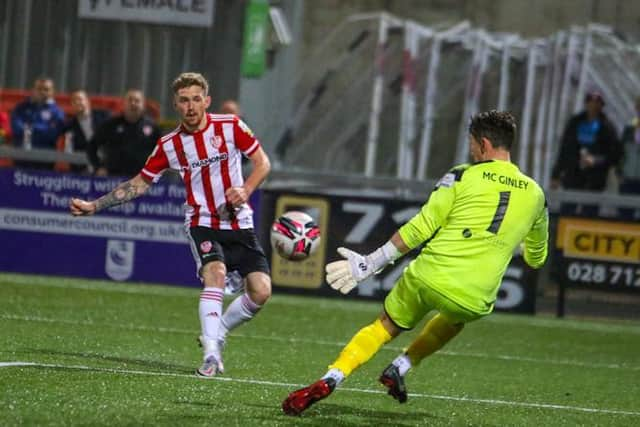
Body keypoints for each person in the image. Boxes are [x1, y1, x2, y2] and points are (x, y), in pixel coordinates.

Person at [281, 110, 549, 416]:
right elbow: (536, 258)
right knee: (455, 318)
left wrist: (371, 263)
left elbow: (421, 227)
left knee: (385, 326)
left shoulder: (462, 175)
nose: (471, 150)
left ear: (484, 144)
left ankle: (332, 377)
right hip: (475, 295)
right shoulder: (537, 195)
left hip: (428, 276)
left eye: (472, 144)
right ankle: (402, 365)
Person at [70, 72, 272, 378]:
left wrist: (245, 190)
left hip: (239, 222)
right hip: (201, 221)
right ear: (175, 105)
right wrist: (95, 205)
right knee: (214, 273)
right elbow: (138, 184)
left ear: (207, 101)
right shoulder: (169, 145)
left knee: (261, 291)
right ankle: (211, 355)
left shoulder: (230, 126)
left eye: (195, 99)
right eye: (183, 100)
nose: (190, 106)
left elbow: (262, 163)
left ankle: (217, 330)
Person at [550, 90, 621, 216]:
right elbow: (565, 149)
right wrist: (556, 174)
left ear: (601, 105)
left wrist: (595, 160)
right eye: (590, 101)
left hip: (594, 179)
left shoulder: (607, 127)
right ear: (586, 103)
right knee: (567, 210)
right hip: (573, 175)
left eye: (597, 102)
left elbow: (614, 155)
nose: (593, 105)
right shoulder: (575, 122)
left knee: (590, 213)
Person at [89, 89, 161, 177]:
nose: (133, 103)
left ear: (143, 105)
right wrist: (98, 167)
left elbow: (161, 153)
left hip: (140, 180)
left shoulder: (153, 127)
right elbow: (91, 146)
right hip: (112, 179)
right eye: (130, 100)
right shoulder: (111, 125)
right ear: (124, 104)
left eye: (137, 101)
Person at [10, 77, 65, 169]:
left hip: (44, 160)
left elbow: (51, 135)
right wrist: (42, 128)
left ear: (52, 92)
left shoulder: (57, 112)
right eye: (39, 89)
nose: (42, 92)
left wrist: (29, 128)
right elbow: (16, 129)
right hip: (21, 158)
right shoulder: (21, 107)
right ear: (33, 90)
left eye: (46, 89)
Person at [61, 90, 110, 174]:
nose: (77, 102)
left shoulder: (103, 116)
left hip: (105, 167)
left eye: (80, 99)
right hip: (81, 170)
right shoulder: (70, 126)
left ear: (87, 101)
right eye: (74, 100)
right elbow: (68, 151)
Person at [618, 95, 640, 220]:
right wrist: (619, 173)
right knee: (625, 215)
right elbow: (620, 153)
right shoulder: (629, 129)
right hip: (628, 180)